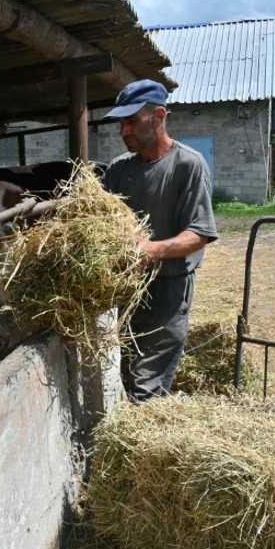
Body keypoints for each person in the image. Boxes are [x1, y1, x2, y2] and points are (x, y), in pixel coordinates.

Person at [102, 79, 218, 402]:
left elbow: (200, 233)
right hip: (126, 288)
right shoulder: (118, 170)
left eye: (131, 121)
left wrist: (150, 249)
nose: (124, 131)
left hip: (168, 288)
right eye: (121, 123)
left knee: (147, 385)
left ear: (159, 116)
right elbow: (103, 222)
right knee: (124, 373)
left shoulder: (188, 165)